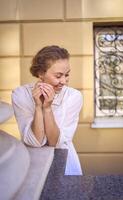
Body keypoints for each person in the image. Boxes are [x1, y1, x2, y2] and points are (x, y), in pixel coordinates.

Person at [12, 45, 83, 175]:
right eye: (58, 76)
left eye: (67, 75)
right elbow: (36, 142)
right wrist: (38, 106)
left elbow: (55, 142)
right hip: (31, 164)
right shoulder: (20, 94)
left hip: (65, 163)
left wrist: (47, 108)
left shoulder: (73, 96)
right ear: (41, 73)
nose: (64, 81)